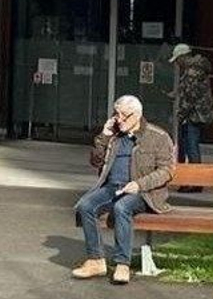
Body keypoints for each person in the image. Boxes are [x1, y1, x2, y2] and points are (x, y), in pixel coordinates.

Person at [71, 96, 176, 286]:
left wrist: (139, 184)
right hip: (112, 187)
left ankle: (122, 264)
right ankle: (96, 260)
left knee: (121, 208)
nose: (118, 119)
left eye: (123, 115)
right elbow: (95, 161)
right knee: (85, 206)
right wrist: (104, 135)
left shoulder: (158, 136)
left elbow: (167, 171)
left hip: (143, 192)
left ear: (137, 115)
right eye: (116, 114)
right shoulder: (113, 135)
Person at [169, 43, 213, 167]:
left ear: (183, 57)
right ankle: (189, 179)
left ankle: (194, 180)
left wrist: (180, 115)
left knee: (191, 146)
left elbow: (191, 96)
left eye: (177, 60)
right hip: (194, 114)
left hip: (193, 115)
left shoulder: (192, 71)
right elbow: (187, 88)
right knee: (187, 145)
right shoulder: (193, 70)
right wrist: (177, 92)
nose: (177, 63)